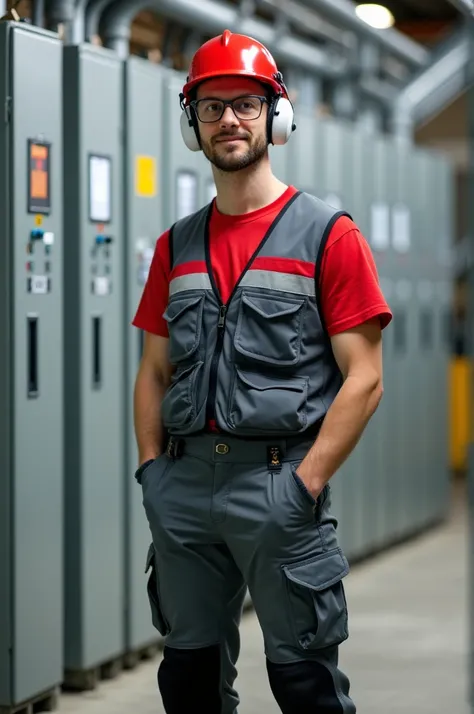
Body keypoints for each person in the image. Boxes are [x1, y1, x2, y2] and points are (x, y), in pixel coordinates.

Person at [132, 29, 392, 714]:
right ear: (193, 124)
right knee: (187, 680)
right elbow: (154, 370)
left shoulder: (328, 234)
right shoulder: (176, 245)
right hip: (183, 490)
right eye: (211, 107)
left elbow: (364, 377)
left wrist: (304, 484)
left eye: (245, 104)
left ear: (277, 116)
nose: (229, 120)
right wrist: (153, 472)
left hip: (278, 481)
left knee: (303, 680)